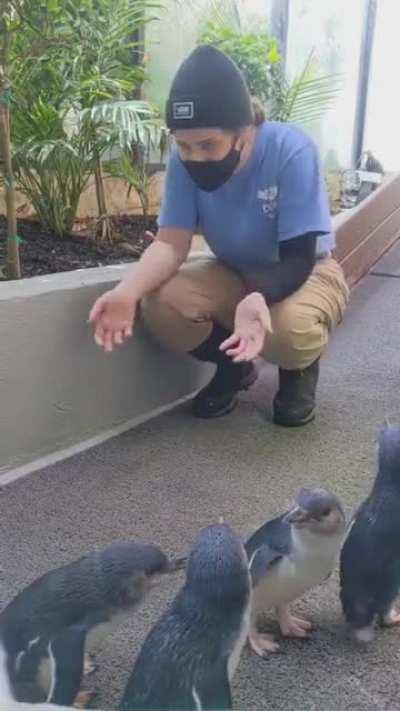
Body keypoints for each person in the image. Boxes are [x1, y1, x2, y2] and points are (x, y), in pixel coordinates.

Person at [89, 45, 349, 427]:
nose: (195, 157)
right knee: (160, 303)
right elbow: (170, 244)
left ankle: (300, 368)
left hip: (304, 272)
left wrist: (258, 298)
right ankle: (234, 367)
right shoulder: (183, 161)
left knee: (288, 330)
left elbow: (298, 257)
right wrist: (126, 292)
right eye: (184, 145)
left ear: (244, 132)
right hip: (232, 271)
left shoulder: (290, 150)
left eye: (208, 145)